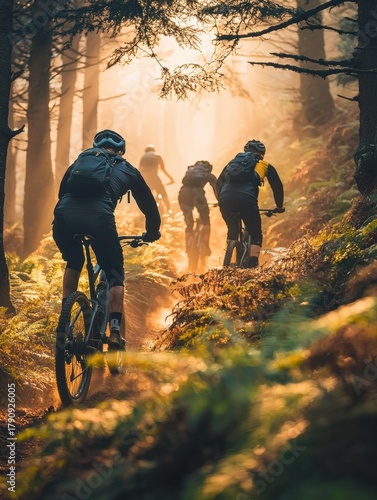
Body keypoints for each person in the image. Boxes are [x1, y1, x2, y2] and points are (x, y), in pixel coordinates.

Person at [53, 130, 161, 350]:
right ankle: (114, 332)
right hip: (100, 219)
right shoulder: (128, 169)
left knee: (74, 261)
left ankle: (64, 318)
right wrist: (152, 233)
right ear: (121, 151)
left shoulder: (79, 163)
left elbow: (61, 194)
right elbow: (149, 206)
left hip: (64, 218)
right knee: (114, 273)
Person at [217, 139, 285, 268]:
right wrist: (279, 206)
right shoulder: (264, 165)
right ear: (262, 154)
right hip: (247, 199)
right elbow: (277, 186)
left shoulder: (232, 164)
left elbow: (218, 183)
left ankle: (227, 260)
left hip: (226, 199)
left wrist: (220, 199)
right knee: (255, 233)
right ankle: (252, 265)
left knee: (232, 228)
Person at [178, 160, 218, 256]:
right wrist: (220, 200)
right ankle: (205, 245)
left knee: (189, 223)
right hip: (197, 194)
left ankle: (188, 246)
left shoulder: (190, 171)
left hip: (183, 193)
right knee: (205, 220)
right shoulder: (207, 173)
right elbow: (216, 188)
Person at [139, 145, 174, 213]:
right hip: (153, 176)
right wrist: (171, 179)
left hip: (145, 177)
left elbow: (139, 169)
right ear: (153, 150)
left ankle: (144, 210)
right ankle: (169, 210)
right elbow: (163, 169)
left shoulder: (143, 157)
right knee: (163, 192)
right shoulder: (157, 155)